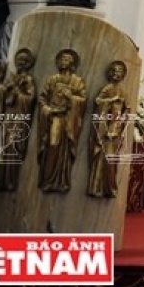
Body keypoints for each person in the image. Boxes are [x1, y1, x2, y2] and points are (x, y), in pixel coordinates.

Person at [37, 49, 87, 193]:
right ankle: (47, 179)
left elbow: (83, 100)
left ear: (72, 63)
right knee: (52, 145)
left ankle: (60, 181)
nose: (63, 62)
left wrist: (71, 96)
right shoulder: (52, 79)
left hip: (68, 119)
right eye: (62, 59)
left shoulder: (77, 81)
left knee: (63, 149)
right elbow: (42, 98)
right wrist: (47, 109)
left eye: (67, 59)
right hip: (54, 117)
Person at [0, 48, 37, 191]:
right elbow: (1, 98)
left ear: (29, 63)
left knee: (13, 147)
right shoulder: (10, 78)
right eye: (19, 60)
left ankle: (10, 180)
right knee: (2, 146)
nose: (21, 63)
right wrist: (7, 90)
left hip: (18, 118)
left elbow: (30, 98)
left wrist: (18, 94)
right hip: (7, 116)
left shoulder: (28, 80)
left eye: (24, 60)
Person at [87, 60, 128, 198]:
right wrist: (111, 100)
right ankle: (96, 187)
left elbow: (126, 110)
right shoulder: (107, 88)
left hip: (115, 129)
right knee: (102, 158)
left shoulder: (123, 91)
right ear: (110, 73)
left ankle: (109, 187)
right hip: (104, 128)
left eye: (120, 72)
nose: (117, 74)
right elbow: (98, 101)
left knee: (112, 160)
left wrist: (120, 125)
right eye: (115, 71)